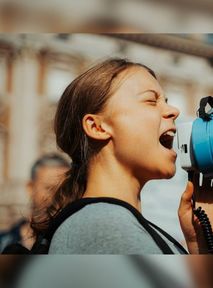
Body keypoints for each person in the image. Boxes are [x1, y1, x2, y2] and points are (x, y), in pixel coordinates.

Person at [31, 58, 213, 254]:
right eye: (151, 101)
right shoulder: (103, 227)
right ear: (97, 127)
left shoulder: (119, 224)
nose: (174, 111)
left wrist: (199, 244)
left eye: (166, 102)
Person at [0, 153, 70, 252]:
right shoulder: (3, 242)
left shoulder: (74, 243)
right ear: (30, 188)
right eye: (49, 188)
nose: (58, 196)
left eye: (64, 190)